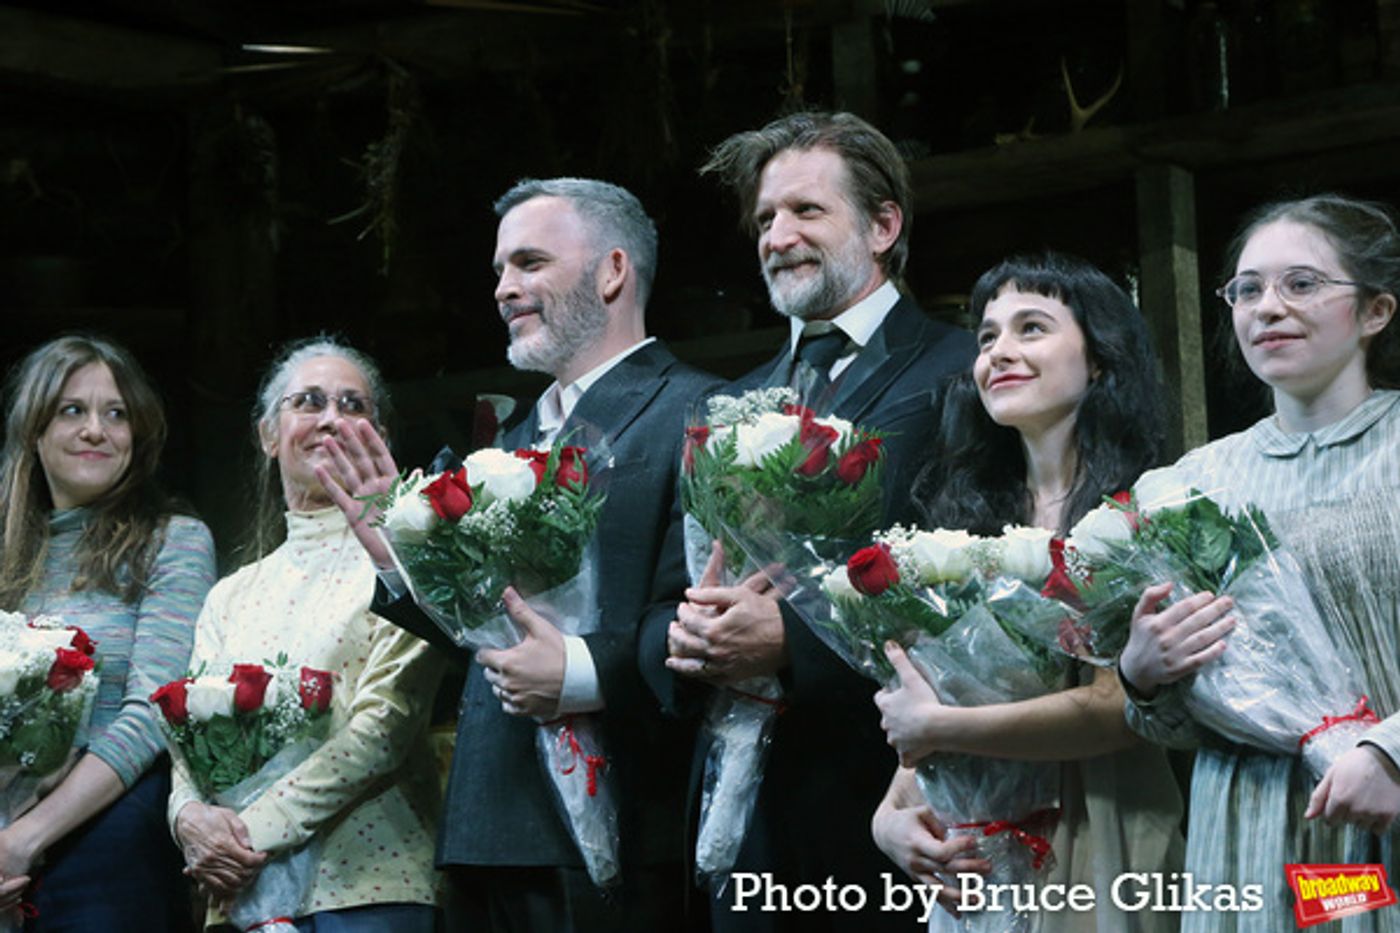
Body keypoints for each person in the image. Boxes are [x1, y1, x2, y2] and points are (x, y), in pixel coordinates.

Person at [319, 177, 723, 932]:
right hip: (486, 822)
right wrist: (399, 564)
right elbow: (490, 635)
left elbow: (704, 616)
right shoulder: (511, 437)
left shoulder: (694, 410)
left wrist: (579, 671)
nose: (505, 288)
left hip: (625, 829)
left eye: (530, 262)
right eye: (500, 270)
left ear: (612, 271)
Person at [641, 110, 975, 931]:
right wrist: (683, 642)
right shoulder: (718, 404)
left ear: (884, 224)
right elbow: (657, 602)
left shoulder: (961, 369)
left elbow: (975, 578)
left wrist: (795, 642)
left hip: (886, 806)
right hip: (738, 826)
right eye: (764, 218)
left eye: (806, 211)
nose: (777, 235)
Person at [870, 253, 1185, 932]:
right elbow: (936, 703)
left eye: (1032, 328)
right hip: (980, 847)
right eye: (987, 337)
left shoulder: (1148, 510)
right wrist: (890, 818)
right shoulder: (958, 522)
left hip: (1109, 827)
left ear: (1099, 359)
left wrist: (941, 728)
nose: (999, 353)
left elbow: (1121, 706)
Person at [1118, 193, 1400, 931]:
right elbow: (1181, 721)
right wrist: (1142, 675)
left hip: (1384, 806)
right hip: (1244, 825)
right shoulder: (1188, 484)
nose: (1266, 307)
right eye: (1247, 289)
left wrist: (1390, 750)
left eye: (1301, 284)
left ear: (1374, 311)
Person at [168, 338, 443, 931]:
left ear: (381, 436)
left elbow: (385, 727)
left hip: (370, 887)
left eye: (353, 406)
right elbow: (188, 735)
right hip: (241, 894)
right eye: (310, 402)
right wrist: (187, 818)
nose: (331, 420)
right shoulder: (229, 594)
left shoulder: (406, 564)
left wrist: (247, 835)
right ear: (269, 434)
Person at [0, 335, 216, 932]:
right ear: (33, 429)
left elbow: (154, 710)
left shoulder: (173, 541)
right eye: (73, 410)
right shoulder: (6, 556)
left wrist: (24, 838)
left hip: (110, 841)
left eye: (115, 414)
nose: (97, 429)